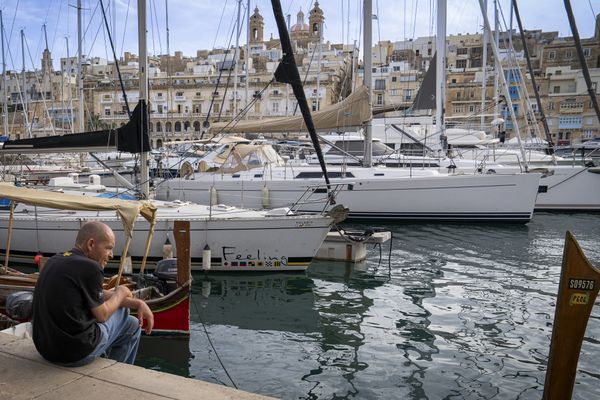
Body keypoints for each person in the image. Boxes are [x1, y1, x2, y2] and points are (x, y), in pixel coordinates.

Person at [32, 220, 154, 367]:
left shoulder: (55, 260)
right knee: (123, 310)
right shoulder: (91, 267)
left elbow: (96, 294)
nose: (111, 255)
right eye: (108, 248)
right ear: (91, 244)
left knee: (133, 325)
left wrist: (138, 302)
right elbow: (102, 315)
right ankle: (116, 375)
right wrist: (120, 292)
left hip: (46, 350)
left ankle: (115, 371)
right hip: (74, 355)